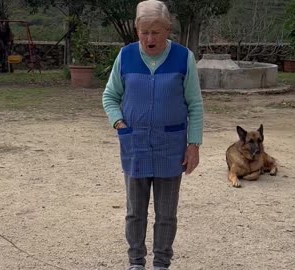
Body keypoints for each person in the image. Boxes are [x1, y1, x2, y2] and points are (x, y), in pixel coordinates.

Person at [102, 1, 203, 269]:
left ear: (168, 29)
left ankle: (161, 263)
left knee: (166, 214)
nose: (149, 38)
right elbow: (110, 96)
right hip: (135, 144)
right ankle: (136, 262)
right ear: (137, 30)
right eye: (144, 32)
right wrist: (118, 123)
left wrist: (194, 144)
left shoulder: (184, 58)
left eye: (156, 32)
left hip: (171, 146)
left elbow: (195, 104)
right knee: (135, 212)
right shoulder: (125, 56)